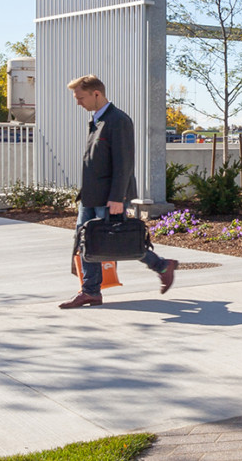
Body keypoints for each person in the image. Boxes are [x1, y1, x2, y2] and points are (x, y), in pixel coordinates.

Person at [59, 74, 176, 309]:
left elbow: (124, 163)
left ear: (96, 94)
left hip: (108, 196)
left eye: (80, 97)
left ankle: (162, 266)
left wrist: (117, 198)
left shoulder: (118, 120)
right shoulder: (97, 120)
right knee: (87, 241)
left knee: (118, 241)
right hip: (91, 196)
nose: (78, 103)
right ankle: (91, 291)